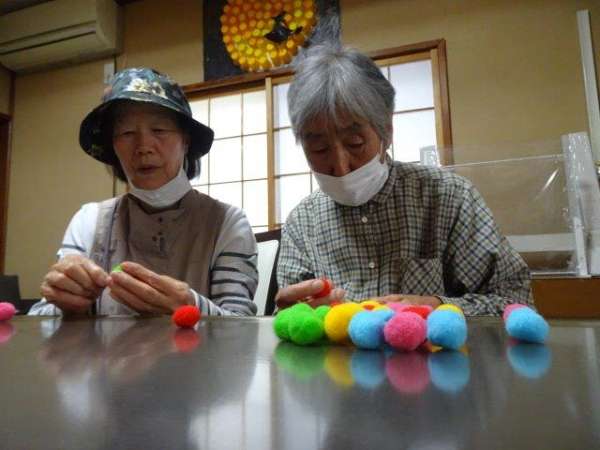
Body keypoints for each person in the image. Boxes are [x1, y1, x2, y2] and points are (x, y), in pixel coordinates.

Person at [275, 44, 532, 315]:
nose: (341, 167)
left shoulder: (450, 197)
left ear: (387, 132)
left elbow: (516, 300)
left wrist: (437, 306)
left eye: (355, 142)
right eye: (319, 149)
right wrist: (292, 315)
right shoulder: (302, 223)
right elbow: (289, 318)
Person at [30, 68, 257, 316]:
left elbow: (241, 324)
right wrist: (62, 301)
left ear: (186, 140)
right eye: (127, 133)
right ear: (113, 146)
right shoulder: (89, 221)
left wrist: (191, 306)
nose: (143, 146)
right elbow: (41, 319)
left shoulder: (227, 223)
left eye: (159, 130)